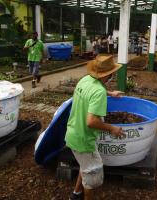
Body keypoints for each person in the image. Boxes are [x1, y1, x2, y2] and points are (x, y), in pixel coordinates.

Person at [65, 55, 125, 200]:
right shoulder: (98, 92)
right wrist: (112, 128)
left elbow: (93, 91)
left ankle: (76, 194)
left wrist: (110, 93)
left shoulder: (85, 80)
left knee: (85, 166)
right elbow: (91, 122)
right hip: (83, 140)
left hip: (73, 132)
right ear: (109, 74)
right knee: (92, 176)